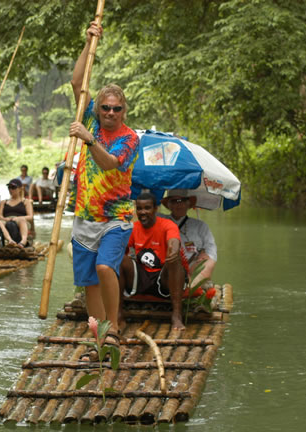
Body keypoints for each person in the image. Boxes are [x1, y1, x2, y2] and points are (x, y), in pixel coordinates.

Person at [68, 21, 140, 359]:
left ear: (124, 111)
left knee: (104, 268)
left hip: (117, 217)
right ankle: (97, 335)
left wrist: (88, 139)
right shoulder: (92, 119)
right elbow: (77, 82)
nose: (110, 113)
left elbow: (111, 163)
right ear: (98, 109)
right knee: (89, 283)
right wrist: (88, 42)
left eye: (116, 109)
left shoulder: (129, 137)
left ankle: (114, 328)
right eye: (105, 108)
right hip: (85, 216)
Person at [119, 192, 188, 330]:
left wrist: (173, 250)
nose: (143, 212)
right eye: (139, 208)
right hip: (141, 276)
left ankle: (176, 315)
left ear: (155, 209)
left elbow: (174, 241)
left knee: (175, 259)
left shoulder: (167, 225)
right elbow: (122, 250)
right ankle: (118, 313)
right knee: (118, 258)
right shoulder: (133, 227)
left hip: (163, 278)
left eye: (147, 208)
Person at [161, 189, 217, 289]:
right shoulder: (160, 220)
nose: (179, 204)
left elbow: (211, 250)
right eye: (174, 201)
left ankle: (190, 288)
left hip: (192, 271)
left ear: (188, 204)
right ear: (168, 205)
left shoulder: (200, 226)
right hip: (166, 268)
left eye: (182, 200)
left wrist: (205, 256)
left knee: (209, 262)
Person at [0, 178, 33, 247]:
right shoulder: (4, 202)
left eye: (13, 187)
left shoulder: (26, 201)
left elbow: (30, 217)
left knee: (21, 220)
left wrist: (17, 218)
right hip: (7, 220)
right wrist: (6, 219)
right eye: (9, 187)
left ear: (20, 189)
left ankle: (23, 241)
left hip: (22, 221)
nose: (11, 190)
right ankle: (10, 240)